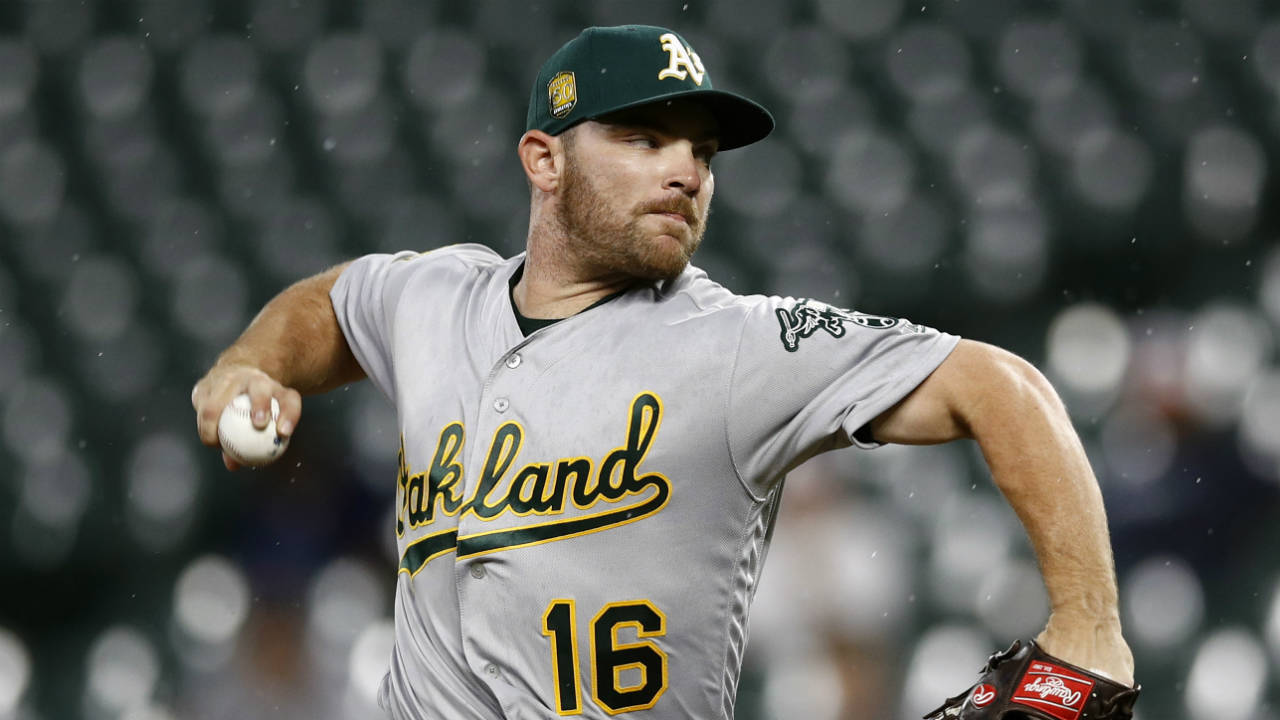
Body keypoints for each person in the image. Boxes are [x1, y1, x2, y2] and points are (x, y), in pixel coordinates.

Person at [191, 24, 1135, 719]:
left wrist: (1089, 620)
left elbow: (998, 386)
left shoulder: (738, 347)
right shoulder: (434, 298)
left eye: (702, 151)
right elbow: (330, 307)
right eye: (644, 140)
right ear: (544, 160)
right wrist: (249, 364)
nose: (685, 169)